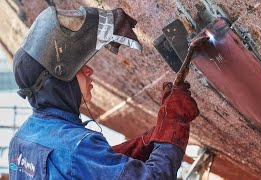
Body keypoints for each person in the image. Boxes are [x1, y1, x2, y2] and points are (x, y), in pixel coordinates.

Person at [8, 6, 199, 180]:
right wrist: (175, 119)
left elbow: (84, 167)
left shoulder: (21, 139)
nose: (89, 71)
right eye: (81, 67)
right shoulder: (77, 146)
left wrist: (148, 141)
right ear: (59, 81)